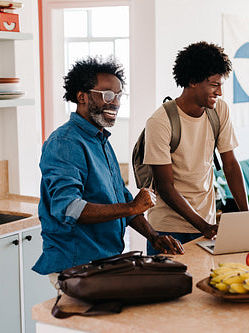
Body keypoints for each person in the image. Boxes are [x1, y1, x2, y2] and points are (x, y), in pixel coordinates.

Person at [33, 56, 184, 283]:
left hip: (105, 261)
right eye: (107, 95)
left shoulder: (100, 139)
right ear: (82, 96)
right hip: (75, 267)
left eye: (119, 95)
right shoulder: (65, 142)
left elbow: (120, 199)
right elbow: (69, 209)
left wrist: (153, 236)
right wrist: (132, 205)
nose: (115, 102)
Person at [143, 41, 249, 254]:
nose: (219, 92)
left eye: (221, 84)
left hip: (206, 225)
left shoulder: (219, 111)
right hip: (168, 229)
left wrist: (247, 217)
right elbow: (165, 186)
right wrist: (204, 226)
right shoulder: (160, 121)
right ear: (192, 81)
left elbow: (230, 164)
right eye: (214, 84)